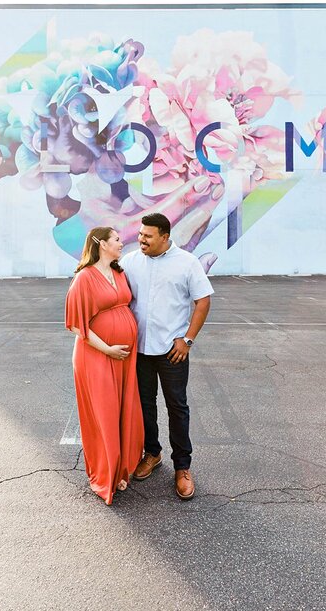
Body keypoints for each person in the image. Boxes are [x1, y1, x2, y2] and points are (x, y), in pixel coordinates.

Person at [119, 212, 212, 500]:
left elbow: (203, 300)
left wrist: (188, 339)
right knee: (144, 405)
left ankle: (182, 467)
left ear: (164, 237)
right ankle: (152, 453)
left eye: (148, 235)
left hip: (172, 351)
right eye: (141, 234)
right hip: (140, 349)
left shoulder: (187, 263)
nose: (141, 239)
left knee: (177, 407)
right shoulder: (130, 262)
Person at [64, 226, 144, 505]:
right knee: (105, 414)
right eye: (117, 239)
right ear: (101, 244)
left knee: (123, 411)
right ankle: (106, 473)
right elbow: (76, 324)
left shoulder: (120, 272)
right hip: (97, 355)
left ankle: (122, 468)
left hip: (124, 356)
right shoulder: (84, 278)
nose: (123, 243)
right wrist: (108, 348)